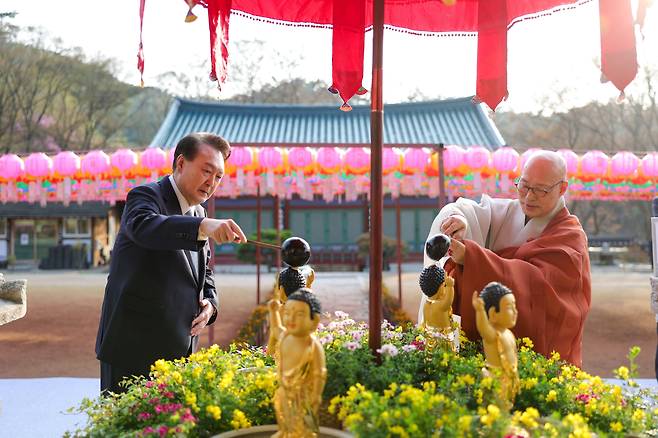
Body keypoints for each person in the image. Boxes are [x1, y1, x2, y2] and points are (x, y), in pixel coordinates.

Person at [95, 132, 247, 394]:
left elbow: (205, 273)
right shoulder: (146, 196)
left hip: (179, 348)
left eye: (218, 176)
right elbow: (146, 227)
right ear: (180, 164)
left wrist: (210, 304)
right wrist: (203, 226)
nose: (211, 183)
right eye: (206, 171)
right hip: (132, 347)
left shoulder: (199, 212)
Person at [419, 150, 591, 367]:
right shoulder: (508, 212)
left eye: (541, 190)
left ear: (562, 189)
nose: (529, 197)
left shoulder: (570, 237)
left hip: (539, 357)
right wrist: (459, 221)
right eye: (524, 186)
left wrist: (472, 258)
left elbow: (539, 288)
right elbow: (467, 210)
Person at [268, 288, 326, 438]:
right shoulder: (286, 337)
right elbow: (275, 329)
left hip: (303, 393)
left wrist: (316, 395)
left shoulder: (312, 345)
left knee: (302, 423)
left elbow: (320, 373)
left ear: (314, 321)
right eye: (287, 313)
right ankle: (285, 431)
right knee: (283, 413)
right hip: (285, 388)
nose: (291, 319)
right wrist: (274, 312)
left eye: (299, 314)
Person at [472, 282, 520, 411]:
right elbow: (483, 329)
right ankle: (498, 426)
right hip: (496, 378)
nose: (515, 311)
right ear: (493, 314)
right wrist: (480, 311)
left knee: (508, 404)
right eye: (510, 307)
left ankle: (505, 422)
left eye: (515, 306)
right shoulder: (493, 335)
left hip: (509, 376)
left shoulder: (508, 333)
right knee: (497, 406)